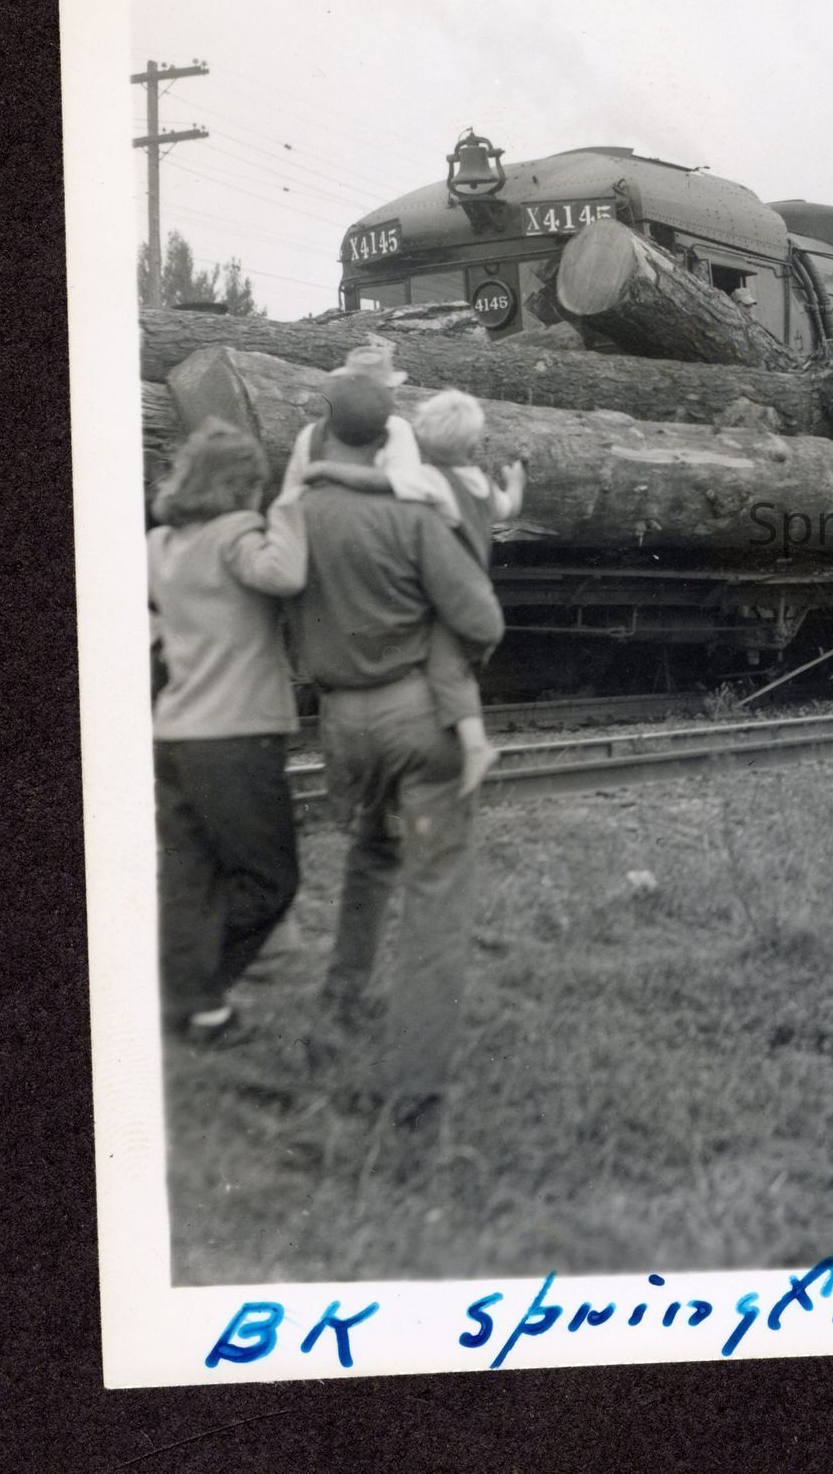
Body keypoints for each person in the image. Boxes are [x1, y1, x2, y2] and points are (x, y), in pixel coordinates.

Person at [294, 370, 507, 1151]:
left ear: (325, 434)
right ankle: (417, 1098)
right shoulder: (412, 514)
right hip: (417, 717)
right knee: (435, 895)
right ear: (390, 438)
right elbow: (481, 617)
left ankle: (338, 1009)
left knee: (371, 854)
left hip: (341, 725)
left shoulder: (297, 511)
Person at [147, 420, 311, 1044]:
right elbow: (285, 575)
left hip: (176, 733)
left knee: (189, 879)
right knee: (271, 881)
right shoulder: (238, 534)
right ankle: (190, 990)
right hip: (237, 735)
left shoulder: (160, 544)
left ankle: (199, 1012)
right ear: (244, 484)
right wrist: (290, 504)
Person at [304, 387, 526, 793]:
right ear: (473, 441)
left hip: (452, 594)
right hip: (474, 583)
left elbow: (379, 481)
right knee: (454, 668)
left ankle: (476, 745)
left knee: (447, 667)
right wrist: (515, 484)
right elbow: (509, 507)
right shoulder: (480, 484)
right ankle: (468, 741)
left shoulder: (430, 481)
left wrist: (327, 471)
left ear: (422, 438)